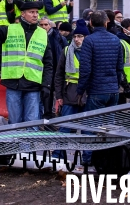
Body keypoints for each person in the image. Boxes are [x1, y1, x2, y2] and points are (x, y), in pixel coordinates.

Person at [0, 0, 53, 124]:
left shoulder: (43, 34)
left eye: (36, 12)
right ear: (23, 14)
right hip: (14, 83)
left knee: (32, 123)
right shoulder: (10, 29)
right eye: (31, 12)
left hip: (33, 84)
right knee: (14, 124)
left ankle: (28, 144)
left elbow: (48, 62)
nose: (35, 15)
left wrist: (46, 85)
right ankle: (16, 144)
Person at [77, 11, 126, 166]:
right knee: (109, 128)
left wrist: (80, 91)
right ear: (106, 22)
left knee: (90, 126)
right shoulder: (115, 40)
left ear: (90, 23)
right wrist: (115, 85)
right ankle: (108, 159)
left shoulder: (89, 41)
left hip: (96, 91)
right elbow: (120, 68)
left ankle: (89, 159)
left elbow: (85, 70)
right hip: (113, 90)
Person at [52, 19, 89, 159]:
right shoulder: (67, 50)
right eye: (75, 36)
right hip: (69, 94)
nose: (77, 39)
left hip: (86, 93)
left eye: (80, 36)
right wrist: (59, 96)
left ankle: (87, 158)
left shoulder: (91, 49)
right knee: (64, 127)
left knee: (87, 129)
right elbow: (59, 74)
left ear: (86, 37)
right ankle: (57, 157)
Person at [39, 17, 67, 118]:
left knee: (60, 96)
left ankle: (59, 118)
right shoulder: (37, 37)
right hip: (44, 71)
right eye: (41, 25)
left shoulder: (59, 38)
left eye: (46, 25)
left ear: (50, 25)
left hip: (57, 70)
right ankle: (47, 118)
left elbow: (65, 53)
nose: (43, 27)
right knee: (46, 97)